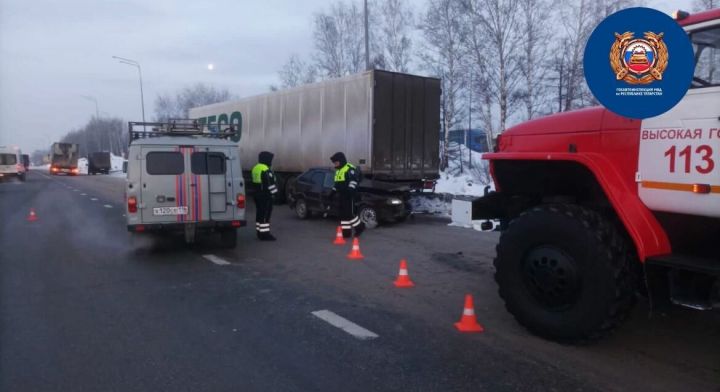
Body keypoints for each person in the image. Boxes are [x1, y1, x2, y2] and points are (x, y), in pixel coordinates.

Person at [328, 152, 364, 238]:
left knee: (350, 214)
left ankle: (360, 228)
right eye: (334, 162)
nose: (335, 164)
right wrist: (332, 193)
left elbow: (353, 181)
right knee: (343, 215)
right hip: (342, 196)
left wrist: (350, 191)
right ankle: (346, 233)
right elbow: (337, 184)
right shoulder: (338, 171)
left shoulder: (349, 168)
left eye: (336, 162)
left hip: (349, 195)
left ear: (341, 161)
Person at [252, 151, 278, 241]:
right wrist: (275, 194)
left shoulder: (256, 168)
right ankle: (265, 235)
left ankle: (259, 232)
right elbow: (270, 185)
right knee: (265, 215)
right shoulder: (265, 169)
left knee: (259, 214)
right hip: (265, 196)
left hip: (257, 195)